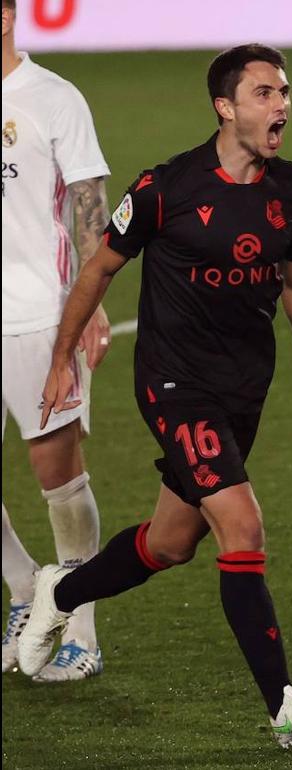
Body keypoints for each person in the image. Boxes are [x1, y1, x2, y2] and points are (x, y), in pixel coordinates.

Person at [18, 43, 292, 749]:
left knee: (171, 544)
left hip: (243, 391)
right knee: (243, 527)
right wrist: (60, 359)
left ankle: (60, 591)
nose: (282, 105)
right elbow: (98, 270)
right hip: (174, 386)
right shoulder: (164, 188)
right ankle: (284, 705)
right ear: (224, 107)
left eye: (285, 92)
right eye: (265, 93)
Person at [1, 0, 111, 682]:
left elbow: (89, 200)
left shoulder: (52, 97)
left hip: (40, 316)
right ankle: (22, 590)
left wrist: (89, 304)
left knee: (58, 478)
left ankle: (81, 629)